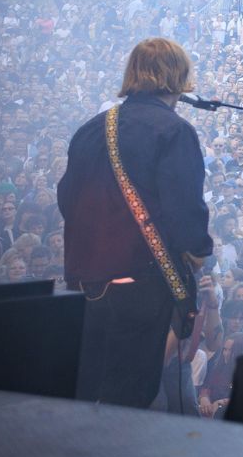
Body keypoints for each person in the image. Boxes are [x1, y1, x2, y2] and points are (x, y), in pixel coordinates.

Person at [58, 38, 212, 408]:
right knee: (130, 390)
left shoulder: (92, 128)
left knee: (87, 384)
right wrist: (198, 250)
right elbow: (183, 207)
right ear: (179, 77)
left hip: (86, 279)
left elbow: (67, 197)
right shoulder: (174, 131)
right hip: (142, 282)